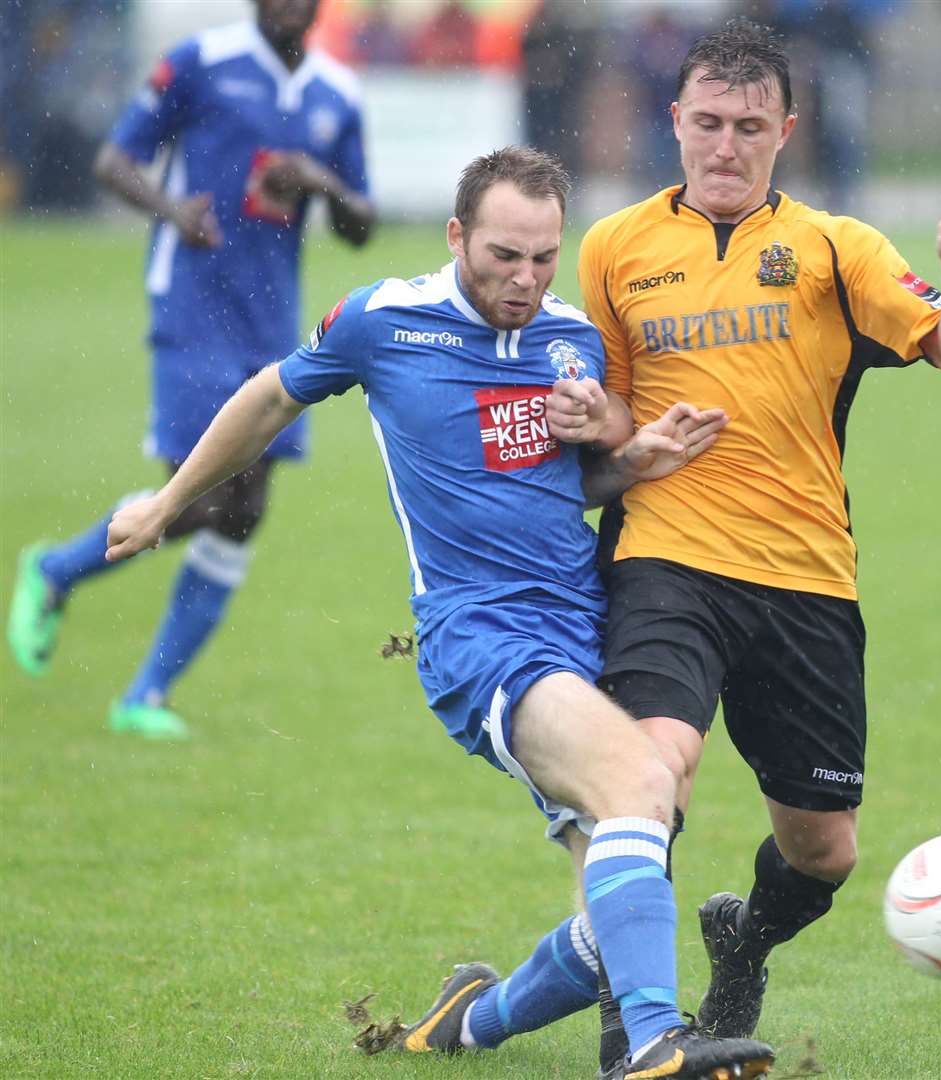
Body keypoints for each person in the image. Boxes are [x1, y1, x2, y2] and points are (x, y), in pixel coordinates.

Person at [103, 147, 776, 1080]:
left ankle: (466, 1024)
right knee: (637, 785)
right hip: (480, 636)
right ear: (458, 235)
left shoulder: (571, 341)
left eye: (545, 258)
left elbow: (567, 483)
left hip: (587, 628)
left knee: (620, 899)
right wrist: (166, 502)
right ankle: (658, 1045)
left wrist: (634, 456)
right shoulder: (385, 321)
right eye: (505, 255)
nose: (526, 279)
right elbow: (267, 399)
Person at [550, 18, 941, 1074]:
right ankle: (636, 1022)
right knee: (650, 770)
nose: (723, 145)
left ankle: (744, 940)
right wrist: (607, 428)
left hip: (804, 576)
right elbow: (612, 420)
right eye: (705, 122)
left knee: (821, 851)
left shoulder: (838, 249)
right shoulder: (615, 247)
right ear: (674, 121)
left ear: (784, 131)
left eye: (748, 127)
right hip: (664, 557)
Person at [6, 0, 374, 739]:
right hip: (194, 307)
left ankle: (144, 696)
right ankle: (56, 572)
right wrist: (172, 212)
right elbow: (114, 161)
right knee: (197, 491)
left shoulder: (339, 93)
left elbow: (361, 228)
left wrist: (323, 185)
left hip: (271, 321)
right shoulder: (202, 63)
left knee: (243, 509)